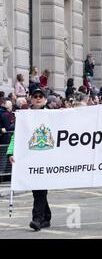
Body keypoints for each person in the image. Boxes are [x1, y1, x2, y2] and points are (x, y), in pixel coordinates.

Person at [7, 88, 51, 231]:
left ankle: (37, 219)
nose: (38, 98)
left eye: (40, 96)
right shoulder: (24, 116)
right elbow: (16, 136)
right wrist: (10, 153)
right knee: (37, 190)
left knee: (40, 189)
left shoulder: (53, 115)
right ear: (31, 99)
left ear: (45, 100)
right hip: (30, 158)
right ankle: (46, 217)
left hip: (47, 158)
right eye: (35, 96)